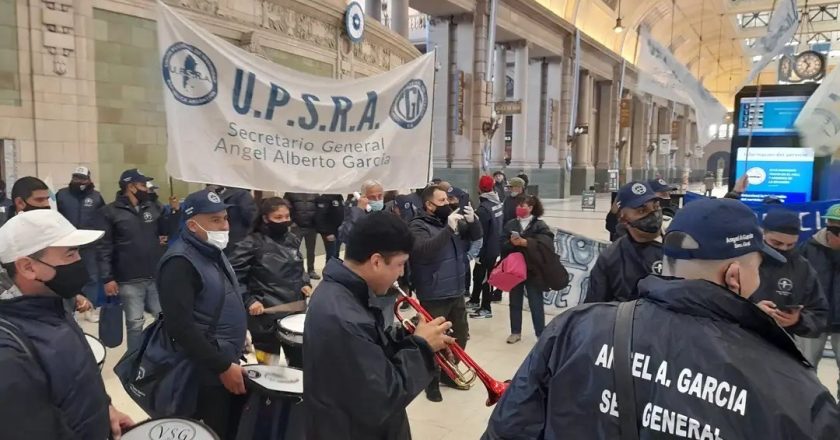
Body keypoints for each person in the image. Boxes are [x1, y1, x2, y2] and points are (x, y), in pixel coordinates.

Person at [484, 198, 840, 439]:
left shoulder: (572, 329)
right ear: (734, 275)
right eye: (758, 268)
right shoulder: (795, 392)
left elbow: (507, 428)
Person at [304, 212, 454, 440]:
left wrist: (408, 336)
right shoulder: (342, 316)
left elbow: (370, 354)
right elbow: (383, 397)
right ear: (376, 261)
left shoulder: (345, 294)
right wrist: (421, 348)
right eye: (400, 264)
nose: (402, 273)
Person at [0, 209, 134, 439]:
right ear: (28, 267)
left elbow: (77, 375)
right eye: (70, 254)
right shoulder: (8, 348)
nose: (79, 262)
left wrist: (105, 408)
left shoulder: (53, 305)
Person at [157, 189, 248, 439]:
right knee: (215, 430)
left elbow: (221, 297)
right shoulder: (180, 262)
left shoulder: (211, 251)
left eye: (225, 218)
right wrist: (221, 366)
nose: (224, 226)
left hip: (226, 357)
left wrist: (242, 330)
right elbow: (180, 326)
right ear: (192, 224)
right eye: (215, 220)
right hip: (206, 371)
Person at [409, 185, 482, 401]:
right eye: (442, 201)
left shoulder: (450, 220)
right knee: (433, 340)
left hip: (457, 288)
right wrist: (448, 230)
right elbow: (423, 251)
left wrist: (473, 222)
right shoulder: (417, 225)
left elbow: (475, 237)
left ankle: (449, 374)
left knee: (460, 335)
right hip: (434, 291)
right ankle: (430, 382)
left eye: (448, 200)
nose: (448, 204)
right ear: (429, 205)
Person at [228, 197, 311, 366]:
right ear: (265, 218)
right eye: (278, 217)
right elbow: (234, 275)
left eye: (287, 216)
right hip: (264, 318)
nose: (284, 221)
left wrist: (305, 282)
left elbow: (298, 267)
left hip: (293, 311)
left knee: (298, 365)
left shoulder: (292, 239)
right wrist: (249, 300)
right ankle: (267, 392)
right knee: (267, 367)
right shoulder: (251, 243)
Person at [99, 169, 164, 353]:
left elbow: (166, 230)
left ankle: (160, 355)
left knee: (162, 319)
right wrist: (107, 278)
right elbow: (104, 247)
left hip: (154, 275)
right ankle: (134, 361)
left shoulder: (151, 207)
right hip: (129, 279)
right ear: (130, 186)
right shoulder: (109, 212)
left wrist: (172, 211)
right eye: (143, 185)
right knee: (135, 324)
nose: (146, 189)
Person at [751, 208, 827, 339]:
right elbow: (719, 303)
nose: (783, 248)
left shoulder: (802, 267)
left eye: (790, 245)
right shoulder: (742, 259)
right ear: (762, 233)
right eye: (776, 243)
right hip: (739, 341)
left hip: (780, 345)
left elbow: (819, 313)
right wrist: (751, 311)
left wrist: (798, 320)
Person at [585, 181, 663, 303]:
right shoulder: (611, 258)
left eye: (655, 206)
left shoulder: (677, 246)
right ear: (623, 218)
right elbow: (595, 308)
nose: (652, 214)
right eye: (642, 211)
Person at [500, 195, 554, 342]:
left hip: (533, 269)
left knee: (535, 301)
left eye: (523, 206)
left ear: (531, 208)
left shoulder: (539, 225)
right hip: (515, 270)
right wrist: (511, 243)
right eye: (519, 205)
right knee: (514, 300)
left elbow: (547, 244)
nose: (520, 208)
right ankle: (515, 331)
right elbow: (502, 244)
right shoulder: (511, 224)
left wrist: (526, 243)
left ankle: (540, 333)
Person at [56, 167, 106, 322]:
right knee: (67, 277)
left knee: (91, 278)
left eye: (82, 178)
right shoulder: (62, 195)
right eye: (76, 178)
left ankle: (90, 310)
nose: (79, 182)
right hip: (67, 245)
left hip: (89, 245)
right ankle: (69, 311)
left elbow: (103, 219)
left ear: (89, 180)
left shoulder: (96, 197)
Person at [799, 203, 840, 395]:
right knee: (805, 368)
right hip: (813, 317)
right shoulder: (808, 248)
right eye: (835, 229)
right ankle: (808, 406)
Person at [468, 176, 504, 319]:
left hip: (486, 250)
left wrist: (476, 253)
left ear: (479, 188)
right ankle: (475, 299)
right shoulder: (497, 202)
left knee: (485, 279)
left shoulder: (483, 209)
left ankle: (486, 308)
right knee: (478, 275)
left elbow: (479, 233)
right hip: (494, 246)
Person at [283, 192, 321, 280]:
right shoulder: (290, 192)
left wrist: (317, 223)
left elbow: (319, 210)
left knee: (311, 250)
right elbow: (285, 207)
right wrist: (291, 222)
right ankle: (296, 271)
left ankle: (311, 270)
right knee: (293, 250)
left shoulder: (314, 194)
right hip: (297, 227)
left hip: (311, 227)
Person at [314, 193, 344, 261]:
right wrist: (328, 233)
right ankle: (329, 271)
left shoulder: (339, 196)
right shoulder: (324, 198)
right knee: (331, 255)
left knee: (336, 254)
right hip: (329, 232)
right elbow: (320, 217)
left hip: (338, 231)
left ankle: (335, 270)